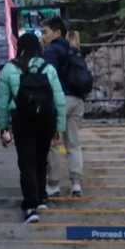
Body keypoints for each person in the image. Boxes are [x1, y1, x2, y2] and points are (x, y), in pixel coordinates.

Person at [0, 32, 66, 224]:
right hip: (46, 120)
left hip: (23, 120)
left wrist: (2, 128)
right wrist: (59, 128)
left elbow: (2, 103)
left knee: (26, 161)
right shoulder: (48, 68)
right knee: (41, 159)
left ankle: (30, 206)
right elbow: (59, 100)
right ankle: (41, 197)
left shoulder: (9, 69)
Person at [41, 16, 89, 198]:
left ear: (57, 32)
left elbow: (48, 77)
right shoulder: (72, 49)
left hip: (60, 100)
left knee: (53, 142)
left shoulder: (51, 51)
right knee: (73, 143)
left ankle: (53, 185)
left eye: (45, 32)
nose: (43, 36)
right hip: (78, 100)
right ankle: (76, 184)